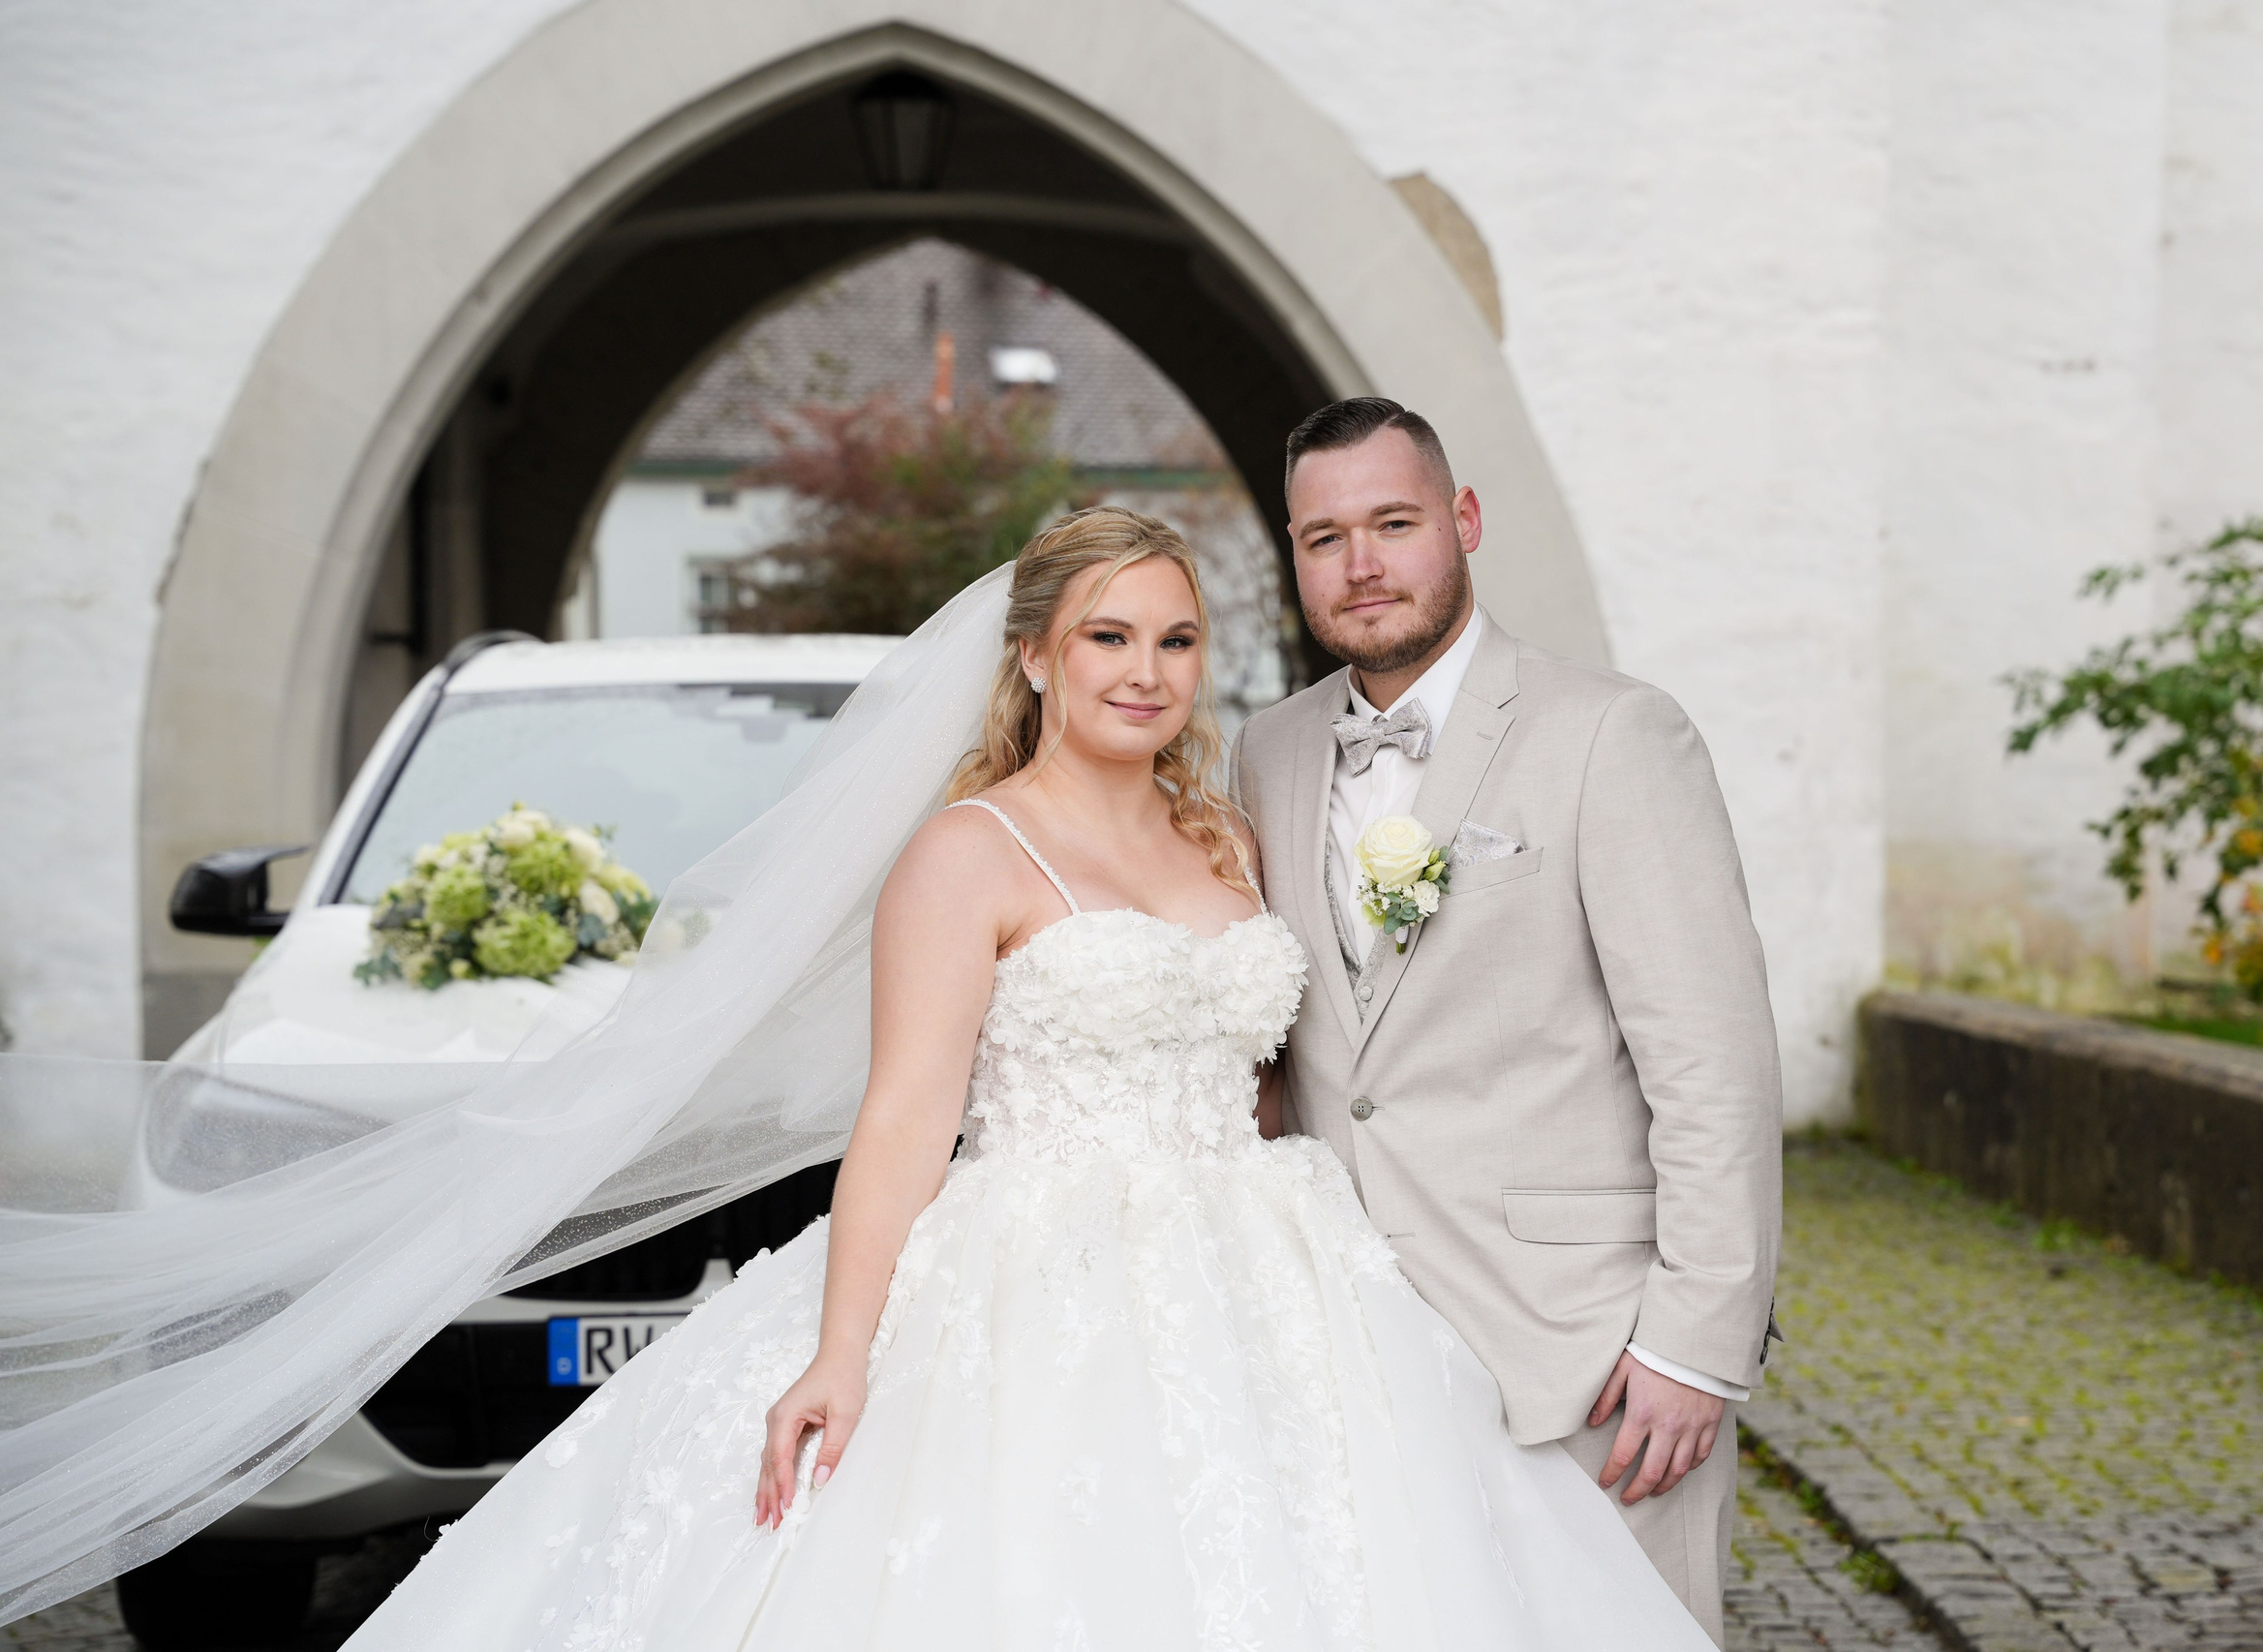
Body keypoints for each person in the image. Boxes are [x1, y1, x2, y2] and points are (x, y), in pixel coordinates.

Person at [335, 506, 1714, 1650]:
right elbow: (904, 1118)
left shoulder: (1228, 837)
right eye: (1109, 636)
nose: (1147, 669)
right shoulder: (967, 853)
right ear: (1039, 658)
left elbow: (1276, 1073)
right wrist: (840, 1347)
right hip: (1039, 1266)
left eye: (1175, 639)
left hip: (1280, 1270)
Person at [1230, 399, 1784, 1642]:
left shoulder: (1612, 732)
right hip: (1355, 1344)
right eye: (1325, 537)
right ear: (1294, 555)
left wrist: (1695, 1345)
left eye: (1393, 522)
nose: (1361, 564)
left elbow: (1714, 1069)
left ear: (1463, 521)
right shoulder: (1264, 753)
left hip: (1585, 1352)